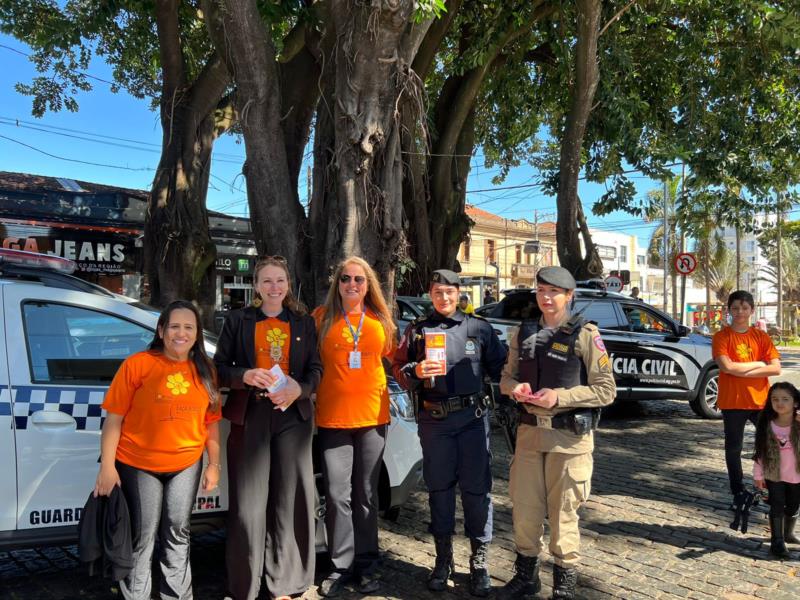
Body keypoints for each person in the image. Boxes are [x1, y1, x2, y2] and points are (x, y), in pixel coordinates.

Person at [499, 266, 616, 600]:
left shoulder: (585, 335)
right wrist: (515, 388)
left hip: (569, 440)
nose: (546, 297)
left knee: (564, 514)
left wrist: (559, 397)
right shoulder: (522, 334)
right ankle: (526, 578)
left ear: (569, 296)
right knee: (524, 511)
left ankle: (564, 586)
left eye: (554, 292)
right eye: (541, 291)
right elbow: (505, 377)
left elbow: (606, 390)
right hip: (529, 437)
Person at [94, 300, 222, 600]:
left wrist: (214, 464)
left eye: (188, 327)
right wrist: (107, 467)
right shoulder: (137, 365)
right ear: (161, 331)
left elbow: (211, 423)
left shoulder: (206, 370)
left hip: (186, 464)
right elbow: (114, 418)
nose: (181, 333)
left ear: (197, 333)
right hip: (138, 463)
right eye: (174, 326)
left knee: (178, 533)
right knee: (143, 536)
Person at [392, 269, 506, 597]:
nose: (444, 298)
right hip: (435, 421)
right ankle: (443, 560)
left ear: (459, 293)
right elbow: (399, 369)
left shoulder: (479, 328)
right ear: (431, 293)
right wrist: (414, 370)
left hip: (472, 420)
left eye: (450, 292)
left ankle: (479, 560)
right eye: (438, 292)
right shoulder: (417, 331)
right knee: (439, 490)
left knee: (476, 490)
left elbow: (503, 369)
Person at [215, 256, 322, 600]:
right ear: (256, 286)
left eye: (280, 281)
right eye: (267, 281)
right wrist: (243, 375)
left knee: (288, 500)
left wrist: (301, 389)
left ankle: (285, 585)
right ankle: (244, 586)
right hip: (252, 414)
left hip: (293, 417)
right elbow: (218, 368)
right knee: (248, 504)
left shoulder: (304, 323)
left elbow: (316, 369)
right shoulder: (238, 320)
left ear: (288, 284)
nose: (274, 287)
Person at [313, 256, 397, 597]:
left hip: (373, 420)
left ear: (368, 285)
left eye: (358, 280)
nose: (351, 284)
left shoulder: (381, 321)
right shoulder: (321, 319)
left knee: (366, 495)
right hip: (333, 420)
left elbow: (398, 360)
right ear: (338, 283)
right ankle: (340, 565)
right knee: (336, 494)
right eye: (345, 278)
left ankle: (367, 563)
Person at [712, 290, 781, 508]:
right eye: (735, 308)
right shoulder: (721, 337)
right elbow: (726, 366)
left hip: (760, 402)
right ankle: (738, 491)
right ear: (729, 310)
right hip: (732, 402)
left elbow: (776, 368)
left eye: (744, 307)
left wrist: (741, 371)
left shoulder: (761, 337)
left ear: (752, 310)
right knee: (733, 449)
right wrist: (760, 365)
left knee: (771, 445)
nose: (740, 312)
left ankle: (768, 488)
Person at [753, 382, 800, 559]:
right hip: (774, 474)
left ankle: (788, 533)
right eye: (775, 399)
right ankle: (777, 541)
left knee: (794, 504)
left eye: (785, 399)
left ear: (795, 402)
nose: (780, 403)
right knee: (777, 505)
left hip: (796, 474)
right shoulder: (767, 424)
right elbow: (759, 451)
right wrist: (758, 474)